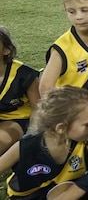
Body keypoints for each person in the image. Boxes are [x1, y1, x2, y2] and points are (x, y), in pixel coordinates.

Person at [0, 87, 88, 200]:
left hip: (68, 189)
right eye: (87, 124)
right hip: (30, 195)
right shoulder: (26, 146)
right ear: (61, 128)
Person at [0, 25, 40, 157]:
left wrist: (31, 136)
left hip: (17, 121)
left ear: (6, 50)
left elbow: (38, 108)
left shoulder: (24, 74)